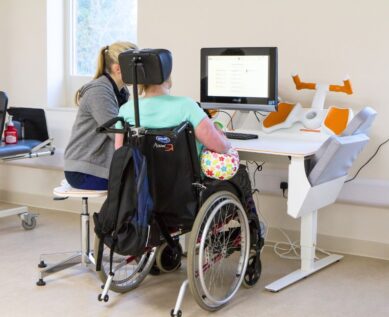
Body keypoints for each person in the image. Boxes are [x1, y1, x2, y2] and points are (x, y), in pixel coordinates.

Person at [64, 41, 137, 190]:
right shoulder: (99, 92)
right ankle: (111, 215)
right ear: (118, 69)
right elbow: (117, 133)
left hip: (99, 165)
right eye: (135, 67)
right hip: (84, 170)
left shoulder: (122, 92)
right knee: (140, 182)